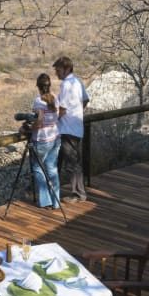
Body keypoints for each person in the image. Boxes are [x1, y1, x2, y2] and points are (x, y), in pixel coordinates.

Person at [53, 55, 89, 202]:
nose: (56, 73)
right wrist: (77, 112)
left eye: (58, 69)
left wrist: (51, 121)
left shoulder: (67, 85)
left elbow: (62, 109)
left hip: (67, 129)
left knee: (71, 164)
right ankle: (72, 192)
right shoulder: (77, 81)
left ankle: (78, 194)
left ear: (67, 69)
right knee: (71, 162)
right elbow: (86, 99)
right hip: (76, 127)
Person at [28, 73, 61, 208]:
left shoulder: (39, 101)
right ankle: (56, 201)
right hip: (55, 138)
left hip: (41, 140)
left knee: (37, 168)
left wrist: (30, 128)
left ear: (38, 86)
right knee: (52, 169)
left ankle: (45, 201)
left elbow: (39, 121)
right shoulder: (55, 98)